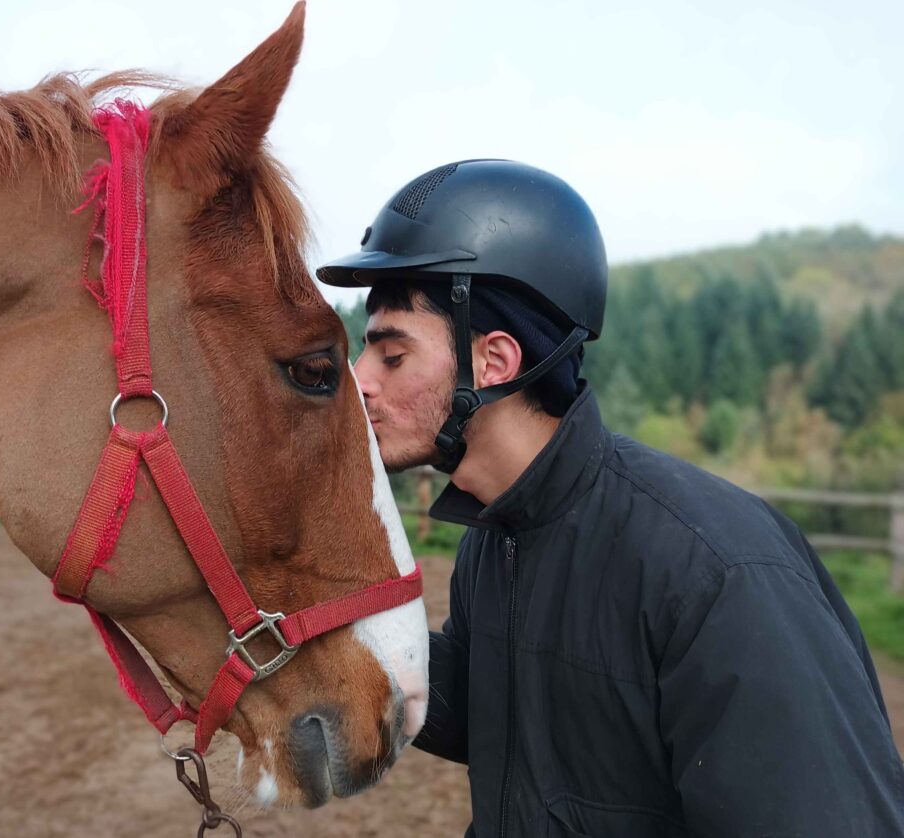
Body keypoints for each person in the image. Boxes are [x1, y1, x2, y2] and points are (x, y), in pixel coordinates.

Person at [316, 159, 904, 837]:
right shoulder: (496, 535)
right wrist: (328, 622)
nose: (358, 381)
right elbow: (492, 709)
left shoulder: (715, 573)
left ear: (496, 361)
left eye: (390, 356)